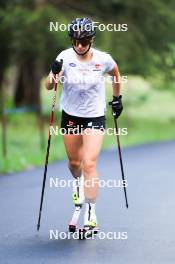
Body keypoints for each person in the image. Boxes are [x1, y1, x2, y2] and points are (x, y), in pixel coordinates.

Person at [45, 17, 123, 230]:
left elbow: (116, 74)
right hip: (71, 115)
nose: (80, 45)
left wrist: (117, 99)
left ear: (92, 39)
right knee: (74, 163)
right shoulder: (64, 57)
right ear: (72, 40)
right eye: (76, 41)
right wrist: (53, 73)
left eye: (85, 41)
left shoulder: (103, 59)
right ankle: (77, 185)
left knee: (89, 163)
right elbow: (49, 87)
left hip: (94, 116)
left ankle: (91, 213)